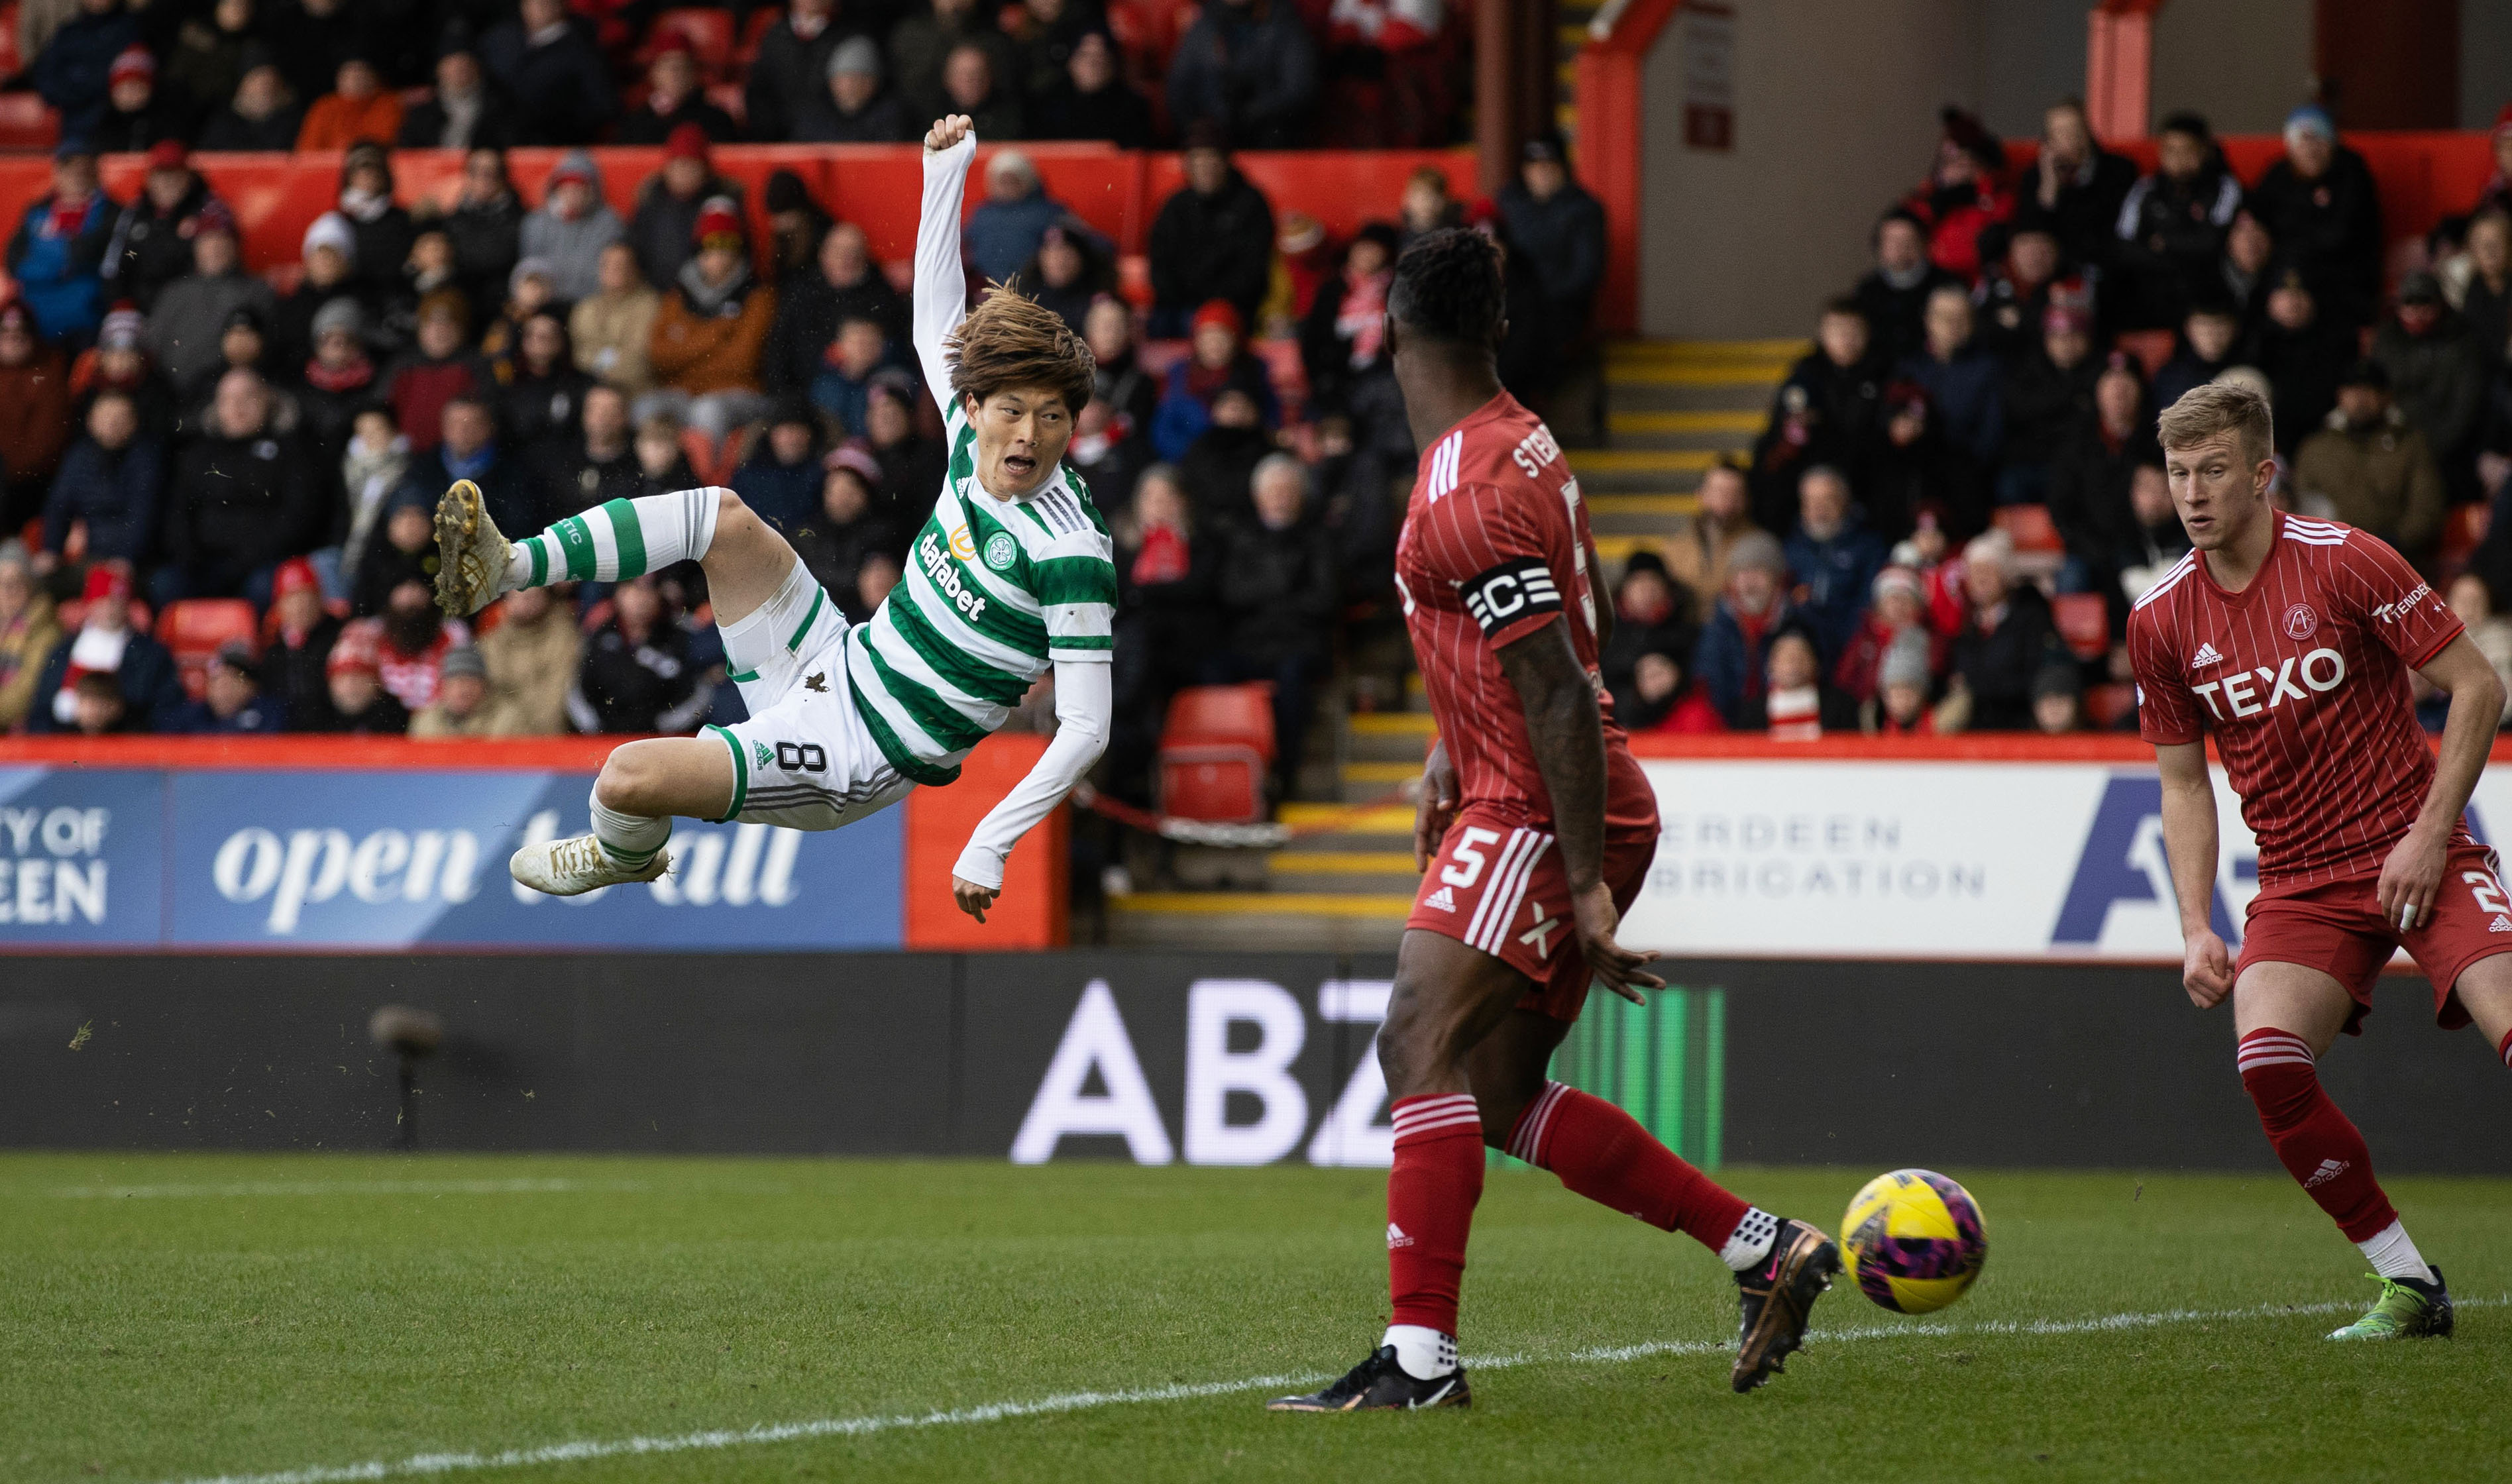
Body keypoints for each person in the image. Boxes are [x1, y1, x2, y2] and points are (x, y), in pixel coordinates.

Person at [1270, 227, 1835, 1414]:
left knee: (1412, 1041)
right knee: (1494, 1093)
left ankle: (1419, 1365)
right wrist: (1448, 739)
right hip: (1521, 782)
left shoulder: (1467, 490)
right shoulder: (1511, 439)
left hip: (1539, 801)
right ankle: (1760, 1248)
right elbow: (1544, 645)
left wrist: (1580, 884)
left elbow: (1560, 688)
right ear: (1498, 330)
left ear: (1388, 331)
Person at [433, 114, 1118, 927]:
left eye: (1052, 418)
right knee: (720, 516)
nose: (1030, 437)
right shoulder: (971, 433)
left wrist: (991, 839)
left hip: (856, 755)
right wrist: (944, 177)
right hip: (833, 654)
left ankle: (621, 853)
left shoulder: (1070, 550)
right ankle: (504, 567)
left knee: (622, 778)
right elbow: (935, 316)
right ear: (973, 404)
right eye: (1012, 411)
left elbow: (1086, 726)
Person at [2131, 378, 2512, 1342]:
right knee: (2264, 1064)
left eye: (2212, 469)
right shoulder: (2160, 620)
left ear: (2262, 474)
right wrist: (2191, 927)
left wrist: (2429, 835)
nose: (2192, 492)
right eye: (2177, 472)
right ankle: (2408, 1285)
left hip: (2417, 849)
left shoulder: (2344, 563)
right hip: (2299, 878)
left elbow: (2475, 688)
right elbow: (2181, 785)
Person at [1208, 452, 1335, 794]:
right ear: (1257, 496)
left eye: (1287, 491)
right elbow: (1231, 593)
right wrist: (1284, 587)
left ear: (1300, 496)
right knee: (1212, 672)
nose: (1280, 499)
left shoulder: (1317, 537)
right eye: (1273, 491)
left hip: (1299, 642)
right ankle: (1228, 776)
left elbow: (1325, 599)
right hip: (1250, 641)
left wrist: (1267, 594)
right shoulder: (1240, 536)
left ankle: (1286, 772)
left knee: (1293, 681)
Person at [157, 369, 320, 606]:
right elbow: (178, 512)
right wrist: (190, 557)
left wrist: (252, 556)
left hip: (261, 563)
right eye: (228, 399)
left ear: (267, 401)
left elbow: (298, 515)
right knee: (166, 584)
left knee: (266, 587)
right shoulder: (197, 454)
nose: (238, 406)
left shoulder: (291, 451)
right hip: (203, 563)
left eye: (248, 397)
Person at [2291, 360, 2445, 566]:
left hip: (2395, 561)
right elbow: (2301, 507)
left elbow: (2426, 509)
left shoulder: (2410, 445)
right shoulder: (2316, 448)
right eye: (2352, 390)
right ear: (2340, 396)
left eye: (2368, 390)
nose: (2360, 399)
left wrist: (2393, 544)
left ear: (2386, 396)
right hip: (2328, 563)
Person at [647, 199, 777, 443]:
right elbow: (659, 357)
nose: (717, 255)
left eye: (727, 246)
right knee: (645, 408)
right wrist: (718, 334)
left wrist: (687, 351)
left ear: (739, 251)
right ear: (698, 251)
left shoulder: (757, 297)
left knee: (708, 411)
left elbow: (742, 362)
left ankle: (706, 481)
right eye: (710, 246)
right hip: (684, 393)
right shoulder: (679, 297)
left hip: (740, 393)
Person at [2244, 105, 2382, 330]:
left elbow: (2337, 237)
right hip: (2285, 277)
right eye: (2302, 142)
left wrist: (2287, 233)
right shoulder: (2278, 175)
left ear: (2333, 144)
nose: (2310, 150)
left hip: (2343, 283)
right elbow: (2255, 219)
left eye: (2319, 140)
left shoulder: (2352, 174)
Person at [2112, 111, 2243, 330]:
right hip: (2152, 287)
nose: (2178, 159)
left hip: (2207, 293)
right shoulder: (2146, 189)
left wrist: (2162, 242)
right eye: (2171, 150)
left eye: (2187, 150)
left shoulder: (2225, 187)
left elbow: (2213, 243)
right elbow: (2123, 245)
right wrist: (2181, 249)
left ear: (2204, 150)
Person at [1147, 129, 1277, 335]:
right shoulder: (1176, 205)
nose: (1205, 167)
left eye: (1212, 159)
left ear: (1226, 162)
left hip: (1233, 305)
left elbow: (1253, 270)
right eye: (1197, 160)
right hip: (1180, 303)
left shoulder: (1251, 204)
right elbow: (1161, 264)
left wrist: (1212, 301)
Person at [27, 564, 184, 733]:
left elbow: (163, 711)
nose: (110, 609)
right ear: (90, 603)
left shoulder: (151, 654)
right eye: (103, 600)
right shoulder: (63, 650)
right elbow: (41, 708)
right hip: (63, 740)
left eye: (116, 602)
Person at [2370, 271, 2487, 496]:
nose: (2417, 313)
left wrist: (2428, 451)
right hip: (2394, 447)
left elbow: (2464, 410)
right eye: (2409, 304)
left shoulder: (2463, 341)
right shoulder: (2386, 340)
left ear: (2440, 304)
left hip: (2450, 453)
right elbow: (2378, 399)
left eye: (2425, 303)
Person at [145, 203, 271, 394]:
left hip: (227, 398)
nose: (215, 246)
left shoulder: (257, 292)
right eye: (207, 238)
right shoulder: (174, 293)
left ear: (236, 245)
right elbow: (153, 347)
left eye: (222, 238)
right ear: (195, 245)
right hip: (172, 397)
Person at [1945, 529, 2058, 731]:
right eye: (1974, 572)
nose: (1980, 579)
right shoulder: (1966, 623)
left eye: (1987, 571)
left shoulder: (2031, 618)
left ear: (2005, 575)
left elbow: (2033, 677)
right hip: (1973, 729)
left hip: (2018, 727)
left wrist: (1975, 687)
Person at [1166, 0, 1316, 150]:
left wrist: (1251, 112)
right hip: (1214, 131)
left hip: (1267, 129)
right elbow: (1178, 88)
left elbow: (1299, 89)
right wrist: (1198, 123)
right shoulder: (1204, 26)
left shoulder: (1284, 23)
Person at [42, 388, 160, 574]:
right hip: (90, 556)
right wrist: (51, 550)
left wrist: (127, 557)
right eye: (106, 417)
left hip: (135, 561)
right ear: (90, 421)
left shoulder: (147, 458)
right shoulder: (78, 457)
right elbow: (59, 506)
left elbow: (143, 515)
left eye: (121, 418)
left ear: (134, 422)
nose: (112, 424)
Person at [8, 143, 113, 347]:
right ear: (57, 173)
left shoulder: (113, 213)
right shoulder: (36, 210)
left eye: (84, 169)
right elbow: (14, 262)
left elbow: (84, 256)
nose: (76, 175)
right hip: (35, 321)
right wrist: (62, 266)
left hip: (86, 321)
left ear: (96, 173)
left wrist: (40, 260)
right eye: (68, 168)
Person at [101, 141, 222, 313]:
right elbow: (116, 264)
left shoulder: (209, 211)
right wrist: (121, 301)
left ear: (189, 177)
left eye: (175, 175)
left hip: (191, 306)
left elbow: (215, 268)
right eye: (161, 175)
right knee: (121, 330)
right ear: (150, 179)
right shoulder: (134, 213)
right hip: (138, 306)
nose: (168, 182)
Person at [2021, 96, 2136, 274]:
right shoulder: (2036, 176)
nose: (2069, 138)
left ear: (2088, 131)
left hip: (2108, 266)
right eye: (2060, 132)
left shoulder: (2119, 169)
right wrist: (2050, 187)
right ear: (2048, 140)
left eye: (2075, 130)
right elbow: (2033, 233)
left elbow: (2105, 225)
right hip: (2054, 268)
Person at [1783, 464, 1888, 660]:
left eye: (1827, 499)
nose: (1819, 509)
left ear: (1844, 502)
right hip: (1803, 653)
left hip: (1851, 651)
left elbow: (1867, 606)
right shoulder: (1790, 549)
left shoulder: (1868, 547)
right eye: (1811, 501)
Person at [479, 0, 616, 146]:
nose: (538, 7)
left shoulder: (583, 49)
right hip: (500, 142)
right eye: (531, 3)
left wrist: (558, 122)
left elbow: (603, 105)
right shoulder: (502, 39)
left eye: (545, 3)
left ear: (560, 6)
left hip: (557, 146)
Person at [2244, 268, 2350, 454]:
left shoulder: (2333, 339)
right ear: (2270, 300)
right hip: (2267, 438)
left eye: (2300, 294)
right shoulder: (2254, 341)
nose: (2293, 303)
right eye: (2284, 295)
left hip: (2324, 438)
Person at [631, 125, 746, 292]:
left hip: (710, 293)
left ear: (705, 170)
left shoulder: (723, 204)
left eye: (691, 165)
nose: (683, 173)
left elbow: (737, 259)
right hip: (655, 293)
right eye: (678, 165)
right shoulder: (651, 199)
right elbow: (636, 248)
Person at [0, 300, 74, 531]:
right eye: (5, 332)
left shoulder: (49, 373)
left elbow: (46, 443)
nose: (13, 338)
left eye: (21, 332)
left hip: (27, 485)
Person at [523, 152, 627, 310]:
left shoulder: (610, 224)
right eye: (565, 189)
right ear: (555, 191)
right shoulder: (536, 223)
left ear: (592, 192)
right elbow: (528, 269)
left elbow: (611, 272)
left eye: (579, 189)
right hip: (547, 304)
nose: (571, 196)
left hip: (594, 305)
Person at [30, 0, 140, 144]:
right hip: (72, 128)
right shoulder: (69, 32)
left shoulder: (131, 29)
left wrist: (77, 80)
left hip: (116, 126)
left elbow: (125, 80)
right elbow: (46, 80)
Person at [474, 583, 577, 734]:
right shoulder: (490, 643)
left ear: (546, 598)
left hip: (544, 736)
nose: (523, 602)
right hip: (499, 735)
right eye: (516, 596)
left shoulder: (564, 638)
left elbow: (556, 697)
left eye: (531, 596)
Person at [1029, 28, 1151, 148]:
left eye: (1101, 56)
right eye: (1085, 55)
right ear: (1071, 62)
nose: (1093, 63)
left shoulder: (1134, 108)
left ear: (1113, 63)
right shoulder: (1048, 104)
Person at [746, 0, 847, 144]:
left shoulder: (847, 38)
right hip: (778, 143)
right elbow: (759, 92)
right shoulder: (774, 36)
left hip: (829, 141)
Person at [258, 555, 342, 726]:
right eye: (292, 599)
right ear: (279, 606)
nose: (300, 606)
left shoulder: (341, 638)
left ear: (320, 600)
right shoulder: (274, 650)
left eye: (307, 597)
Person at [962, 150, 1066, 286]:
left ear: (1028, 181)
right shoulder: (981, 215)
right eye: (1002, 181)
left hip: (1034, 294)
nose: (1007, 187)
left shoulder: (1049, 213)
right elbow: (961, 249)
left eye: (1013, 181)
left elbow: (1084, 244)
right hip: (984, 294)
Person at [615, 32, 739, 146]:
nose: (676, 74)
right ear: (653, 73)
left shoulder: (716, 120)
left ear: (694, 74)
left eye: (683, 67)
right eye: (668, 67)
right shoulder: (636, 122)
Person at [398, 36, 518, 151]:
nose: (460, 69)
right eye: (452, 63)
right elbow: (408, 154)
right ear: (439, 69)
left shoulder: (502, 110)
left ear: (478, 68)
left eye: (466, 63)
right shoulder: (422, 114)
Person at [0, 543, 63, 731]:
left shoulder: (45, 629)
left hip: (22, 736)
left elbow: (27, 692)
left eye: (17, 582)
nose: (8, 591)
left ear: (32, 586)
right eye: (3, 583)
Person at [800, 34, 910, 142]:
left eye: (859, 79)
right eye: (844, 79)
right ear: (831, 83)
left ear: (874, 84)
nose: (851, 88)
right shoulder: (815, 117)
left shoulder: (890, 117)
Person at [2150, 293, 2245, 418]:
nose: (2212, 336)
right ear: (2189, 329)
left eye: (2219, 325)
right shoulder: (2171, 378)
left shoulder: (2249, 371)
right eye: (2204, 326)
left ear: (2235, 328)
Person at [303, 623, 410, 734]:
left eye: (360, 677)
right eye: (342, 677)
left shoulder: (396, 718)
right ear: (331, 683)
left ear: (376, 682)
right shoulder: (315, 718)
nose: (351, 685)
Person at [195, 50, 303, 152]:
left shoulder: (294, 123)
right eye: (257, 80)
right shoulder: (223, 124)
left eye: (270, 81)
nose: (264, 88)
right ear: (243, 85)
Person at [172, 639, 284, 733]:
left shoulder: (269, 714)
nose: (223, 687)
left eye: (234, 677)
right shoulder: (193, 715)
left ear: (251, 686)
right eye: (217, 679)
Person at [296, 51, 401, 149]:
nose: (355, 79)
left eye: (361, 72)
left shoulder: (388, 104)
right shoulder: (324, 107)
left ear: (374, 77)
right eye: (349, 73)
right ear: (339, 78)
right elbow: (307, 151)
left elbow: (382, 144)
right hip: (327, 167)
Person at [408, 643, 494, 737]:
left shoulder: (505, 718)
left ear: (484, 685)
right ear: (444, 686)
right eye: (455, 682)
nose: (463, 690)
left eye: (470, 681)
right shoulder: (426, 721)